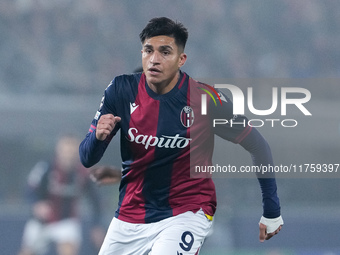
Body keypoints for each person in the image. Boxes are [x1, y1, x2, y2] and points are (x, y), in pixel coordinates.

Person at [79, 17, 283, 255]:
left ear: (181, 59)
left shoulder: (205, 99)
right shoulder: (120, 90)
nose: (154, 59)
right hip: (130, 215)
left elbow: (258, 145)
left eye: (165, 52)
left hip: (186, 212)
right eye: (148, 51)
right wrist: (98, 138)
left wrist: (272, 209)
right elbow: (86, 158)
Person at [18, 135, 108, 255]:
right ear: (58, 150)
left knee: (68, 250)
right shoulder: (45, 167)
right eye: (65, 151)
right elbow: (30, 190)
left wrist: (96, 225)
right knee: (27, 252)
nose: (68, 155)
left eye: (71, 151)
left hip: (67, 220)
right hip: (41, 221)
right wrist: (37, 205)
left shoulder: (83, 172)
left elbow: (95, 201)